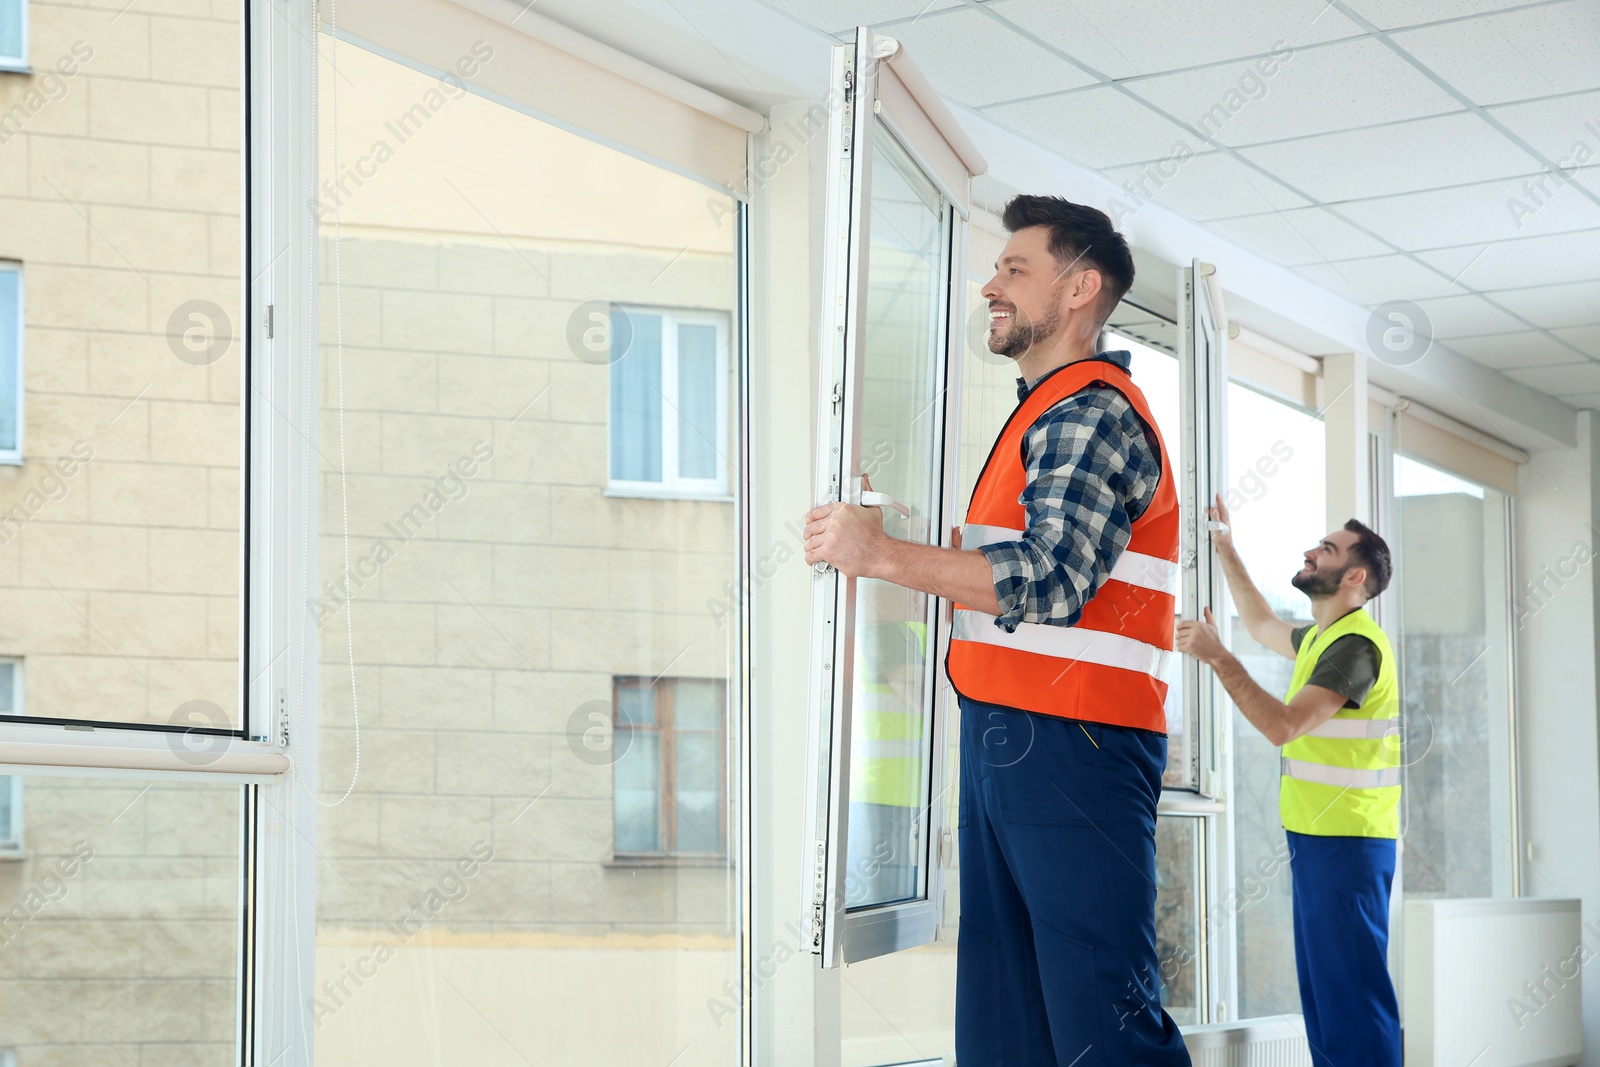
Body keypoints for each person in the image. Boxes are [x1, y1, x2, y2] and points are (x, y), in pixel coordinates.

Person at [805, 195, 1191, 1066]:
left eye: (1015, 269)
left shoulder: (1091, 410)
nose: (990, 285)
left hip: (1076, 743)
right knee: (1007, 1019)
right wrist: (890, 540)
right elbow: (1004, 569)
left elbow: (1050, 579)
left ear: (1081, 287)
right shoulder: (1043, 414)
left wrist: (886, 556)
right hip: (1016, 734)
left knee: (1101, 1023)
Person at [1176, 497, 1401, 1067]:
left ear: (1354, 575)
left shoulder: (1355, 648)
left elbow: (1283, 726)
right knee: (1327, 1004)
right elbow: (1259, 623)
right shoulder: (1323, 638)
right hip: (1320, 840)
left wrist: (1218, 658)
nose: (1310, 551)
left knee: (1352, 1003)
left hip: (1348, 845)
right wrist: (1226, 547)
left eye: (1325, 548)